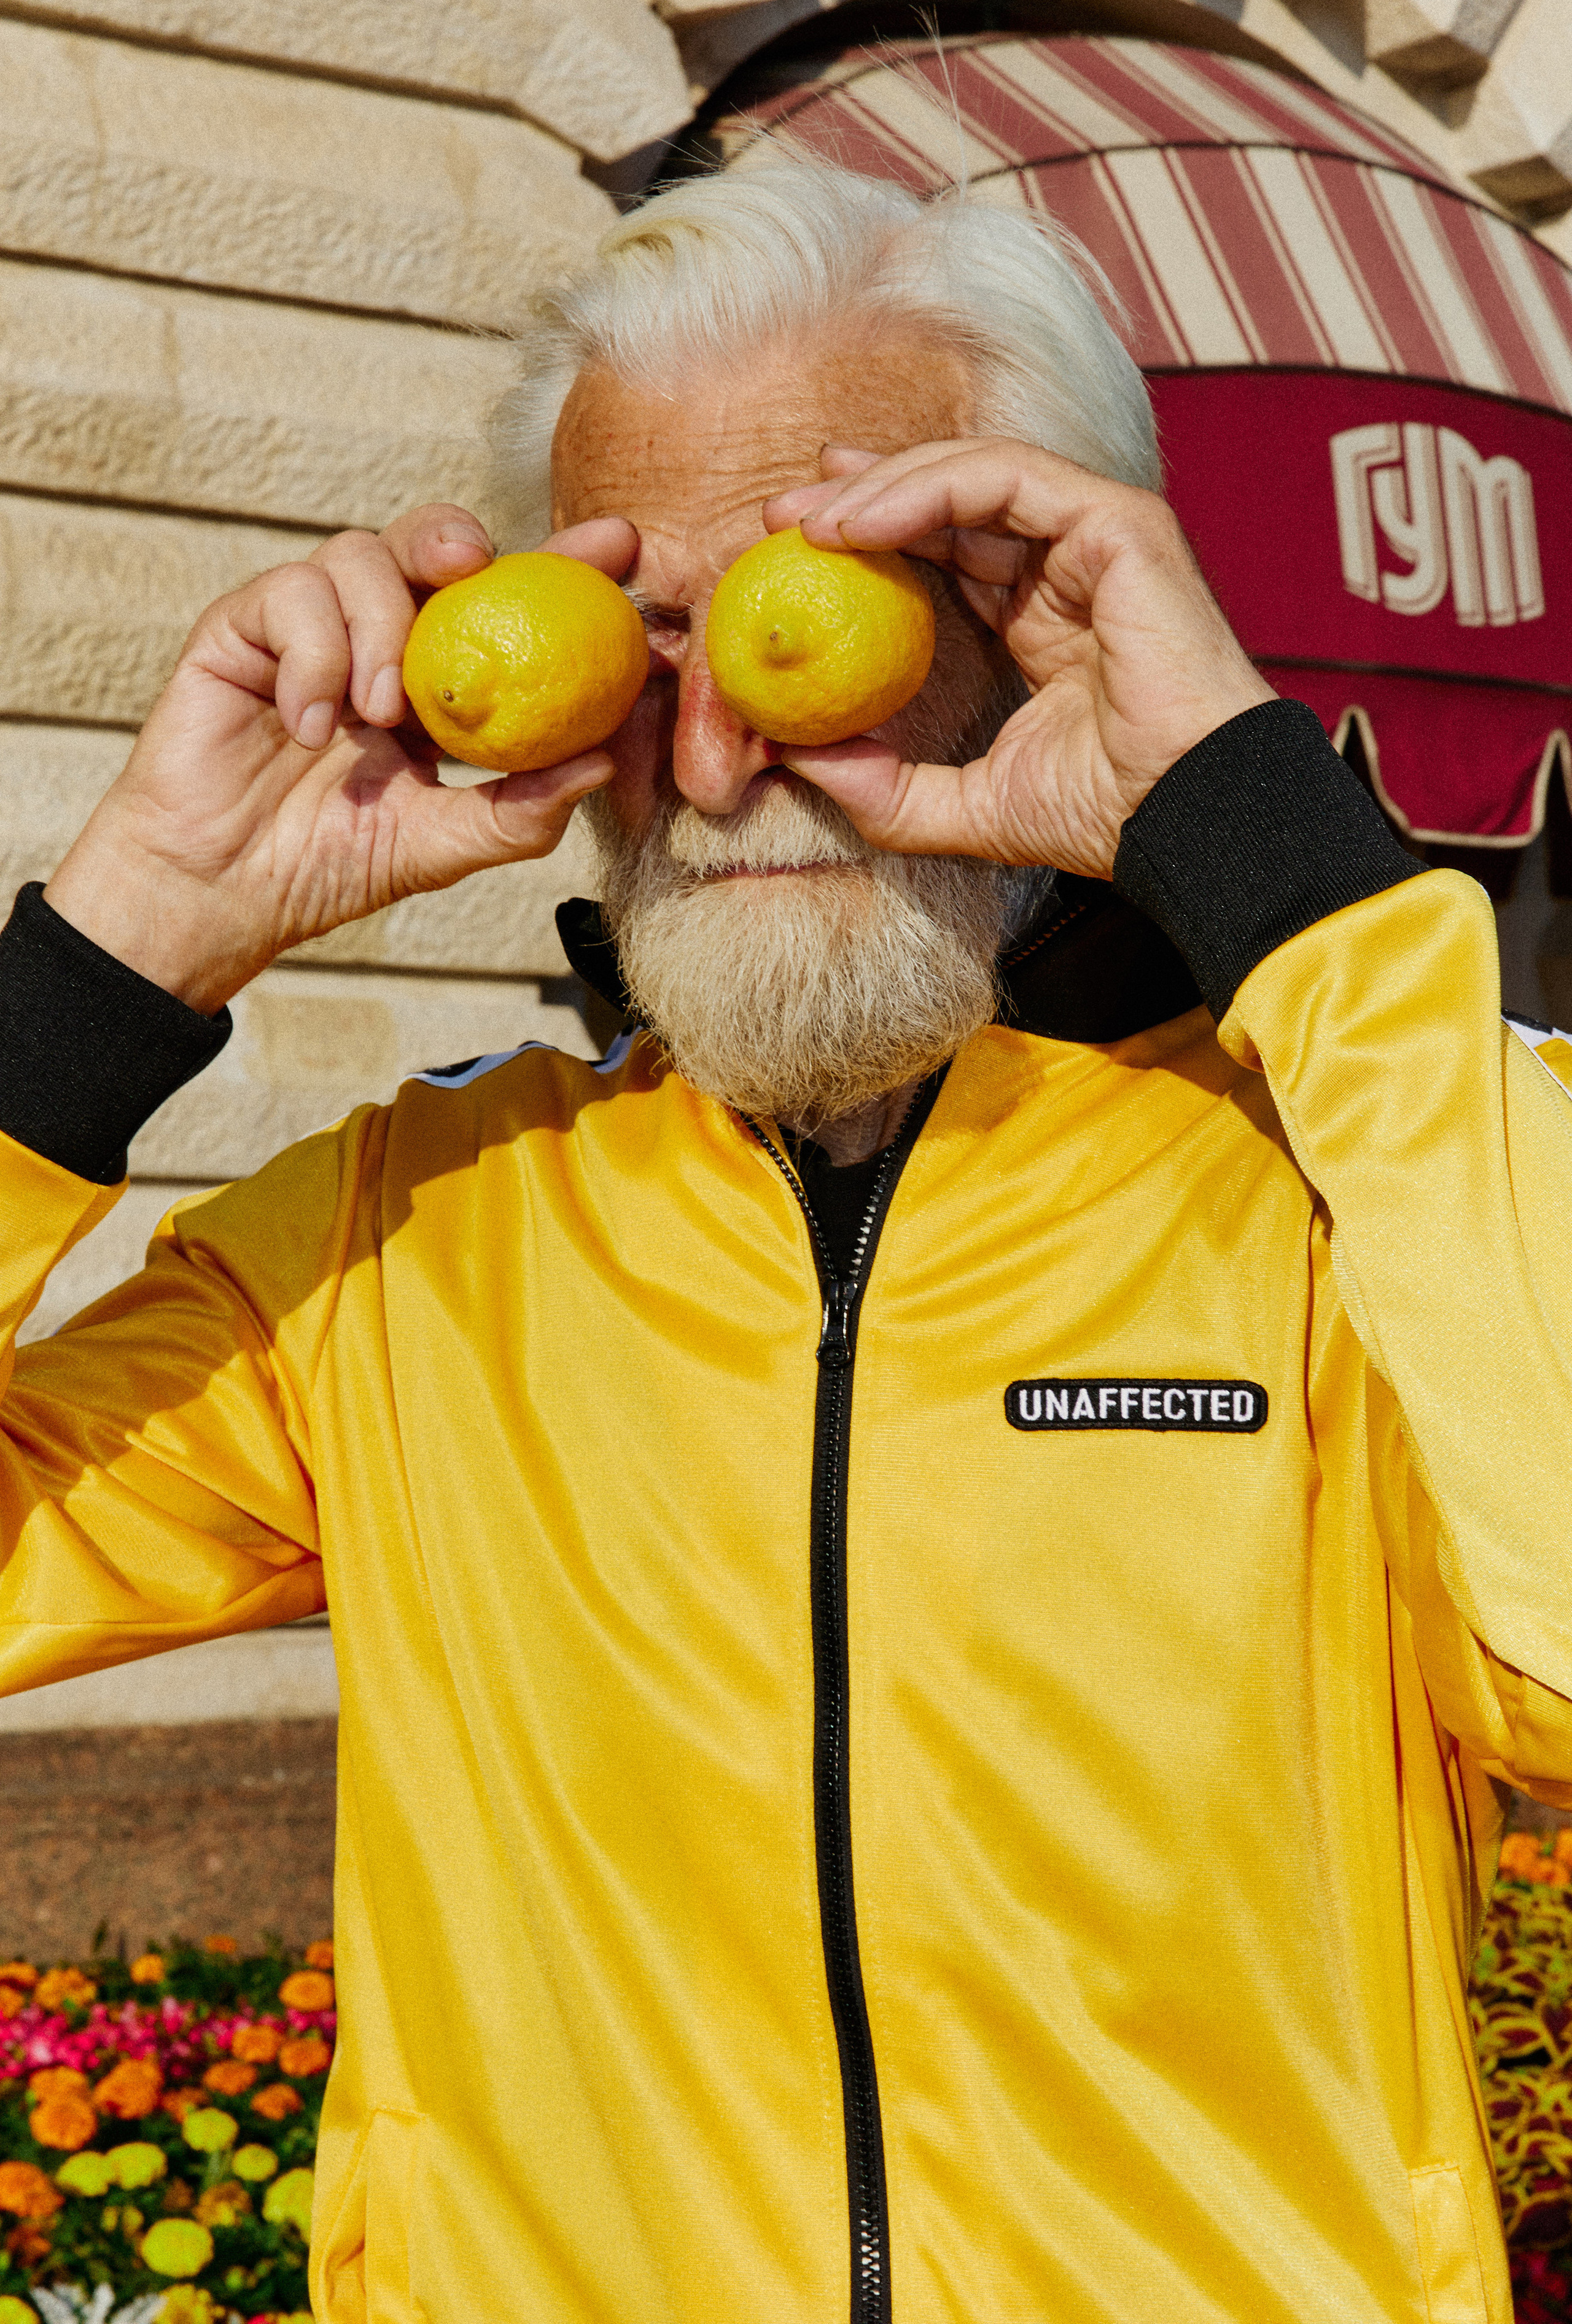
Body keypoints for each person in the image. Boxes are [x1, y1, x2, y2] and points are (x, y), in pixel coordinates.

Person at [2, 150, 1569, 2324]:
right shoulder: (409, 1232)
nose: (728, 753)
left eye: (827, 614)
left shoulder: (1366, 1175)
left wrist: (1269, 855)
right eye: (651, 642)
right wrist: (109, 958)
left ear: (1047, 617)